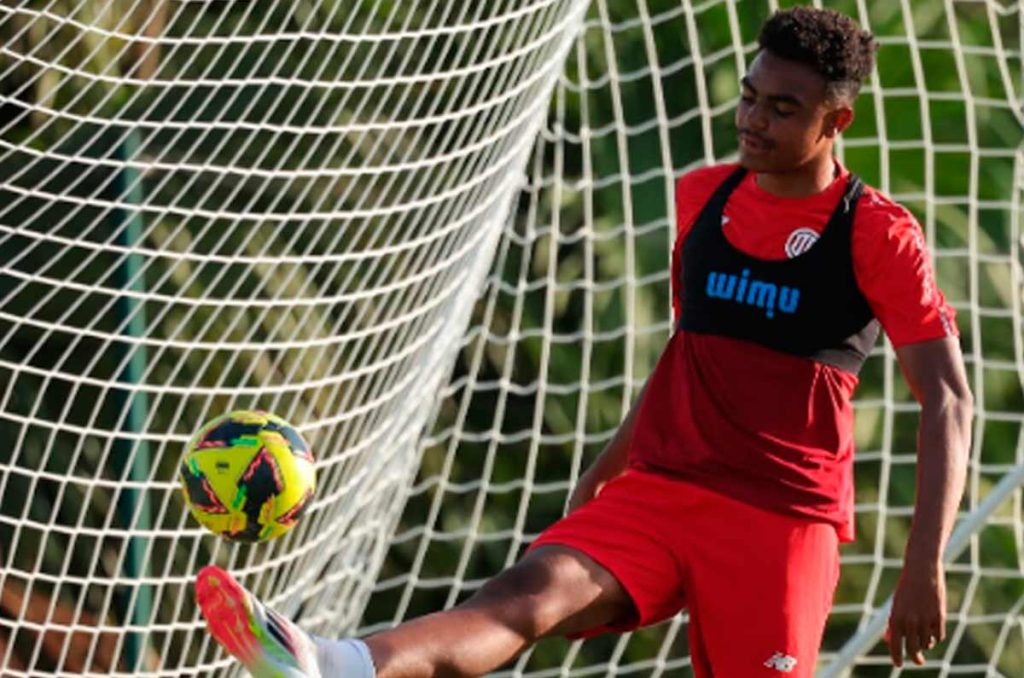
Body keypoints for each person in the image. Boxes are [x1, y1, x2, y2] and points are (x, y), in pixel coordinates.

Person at [195, 7, 973, 677]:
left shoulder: (875, 234)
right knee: (526, 594)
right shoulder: (704, 198)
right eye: (748, 97)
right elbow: (690, 359)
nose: (753, 120)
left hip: (778, 523)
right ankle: (340, 662)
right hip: (662, 491)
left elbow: (946, 398)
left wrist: (922, 562)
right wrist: (607, 471)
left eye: (781, 108)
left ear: (836, 121)